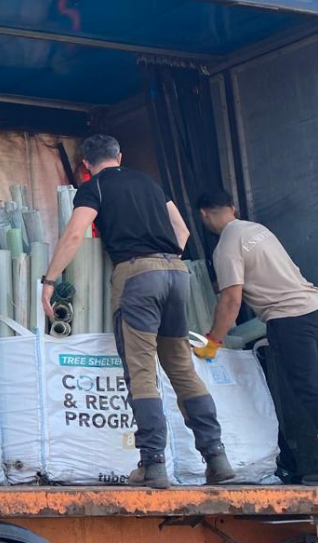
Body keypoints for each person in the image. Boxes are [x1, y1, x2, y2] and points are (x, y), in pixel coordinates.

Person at [41, 135, 234, 488]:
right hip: (176, 275)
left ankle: (153, 464)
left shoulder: (93, 187)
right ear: (120, 155)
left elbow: (74, 235)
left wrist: (49, 281)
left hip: (137, 278)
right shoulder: (149, 183)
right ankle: (217, 457)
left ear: (86, 164)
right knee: (182, 368)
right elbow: (183, 230)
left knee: (142, 372)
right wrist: (162, 261)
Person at [195, 189, 318, 456]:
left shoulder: (227, 245)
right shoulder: (256, 230)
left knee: (310, 391)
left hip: (290, 320)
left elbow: (231, 301)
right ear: (232, 207)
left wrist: (211, 342)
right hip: (313, 306)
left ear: (203, 214)